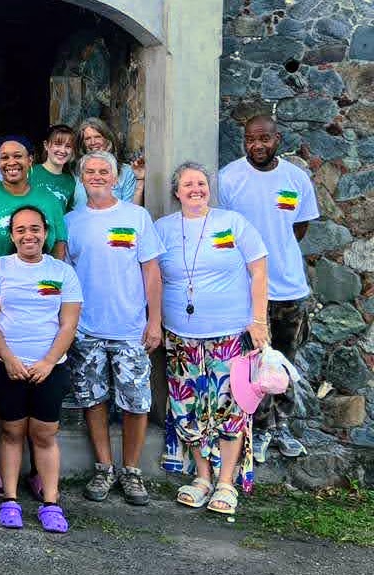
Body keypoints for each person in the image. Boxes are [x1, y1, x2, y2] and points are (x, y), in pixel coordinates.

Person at [157, 162, 270, 515]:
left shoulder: (232, 223)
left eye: (201, 183)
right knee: (186, 406)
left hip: (228, 334)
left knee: (229, 406)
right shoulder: (162, 229)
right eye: (188, 184)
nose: (196, 189)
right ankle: (202, 477)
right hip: (180, 337)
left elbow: (259, 270)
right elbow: (151, 276)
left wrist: (259, 320)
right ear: (176, 192)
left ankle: (226, 482)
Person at [64, 150, 164, 506]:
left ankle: (132, 470)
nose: (96, 176)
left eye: (103, 171)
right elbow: (63, 275)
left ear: (115, 176)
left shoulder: (136, 217)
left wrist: (155, 321)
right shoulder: (71, 221)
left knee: (136, 403)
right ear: (81, 177)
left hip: (130, 328)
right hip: (87, 329)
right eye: (89, 171)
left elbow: (151, 271)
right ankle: (104, 466)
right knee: (94, 399)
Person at [218, 114, 318, 461]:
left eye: (264, 139)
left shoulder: (296, 179)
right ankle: (258, 429)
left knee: (285, 361)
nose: (257, 145)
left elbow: (299, 228)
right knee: (254, 363)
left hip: (289, 287)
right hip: (246, 290)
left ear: (278, 139)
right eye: (250, 139)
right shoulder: (229, 178)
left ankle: (283, 427)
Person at [0, 205, 82, 533]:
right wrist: (8, 358)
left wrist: (49, 361)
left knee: (44, 433)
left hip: (49, 367)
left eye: (35, 229)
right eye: (21, 230)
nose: (29, 235)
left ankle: (51, 502)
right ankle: (9, 499)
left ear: (46, 233)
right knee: (11, 431)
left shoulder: (63, 272)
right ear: (12, 235)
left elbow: (68, 325)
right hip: (6, 365)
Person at [0, 137, 69, 275]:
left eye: (18, 156)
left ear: (30, 160)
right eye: (4, 158)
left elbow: (59, 247)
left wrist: (54, 284)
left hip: (40, 290)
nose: (11, 162)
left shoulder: (50, 200)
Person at [72, 118, 145, 208]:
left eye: (97, 137)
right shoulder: (75, 172)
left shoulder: (125, 171)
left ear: (108, 139)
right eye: (87, 139)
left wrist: (140, 181)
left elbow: (131, 210)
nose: (93, 142)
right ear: (82, 144)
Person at [30, 124, 78, 212]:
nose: (62, 150)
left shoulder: (70, 181)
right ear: (46, 145)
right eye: (58, 144)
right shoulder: (30, 173)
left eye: (68, 146)